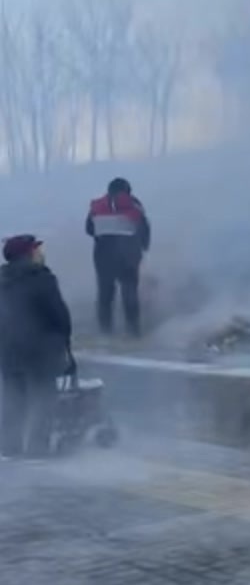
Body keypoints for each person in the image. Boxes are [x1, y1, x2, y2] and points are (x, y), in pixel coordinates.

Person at [0, 235, 72, 459]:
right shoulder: (41, 278)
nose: (41, 253)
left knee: (14, 399)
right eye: (37, 249)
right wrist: (64, 339)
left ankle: (8, 448)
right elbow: (58, 315)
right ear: (28, 253)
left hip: (8, 351)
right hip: (39, 350)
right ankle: (37, 450)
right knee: (43, 398)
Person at [85, 177, 151, 338]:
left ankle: (105, 332)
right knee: (129, 292)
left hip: (103, 255)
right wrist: (143, 246)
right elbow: (144, 228)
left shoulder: (97, 206)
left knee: (105, 294)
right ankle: (133, 332)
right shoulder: (134, 204)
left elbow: (89, 229)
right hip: (129, 256)